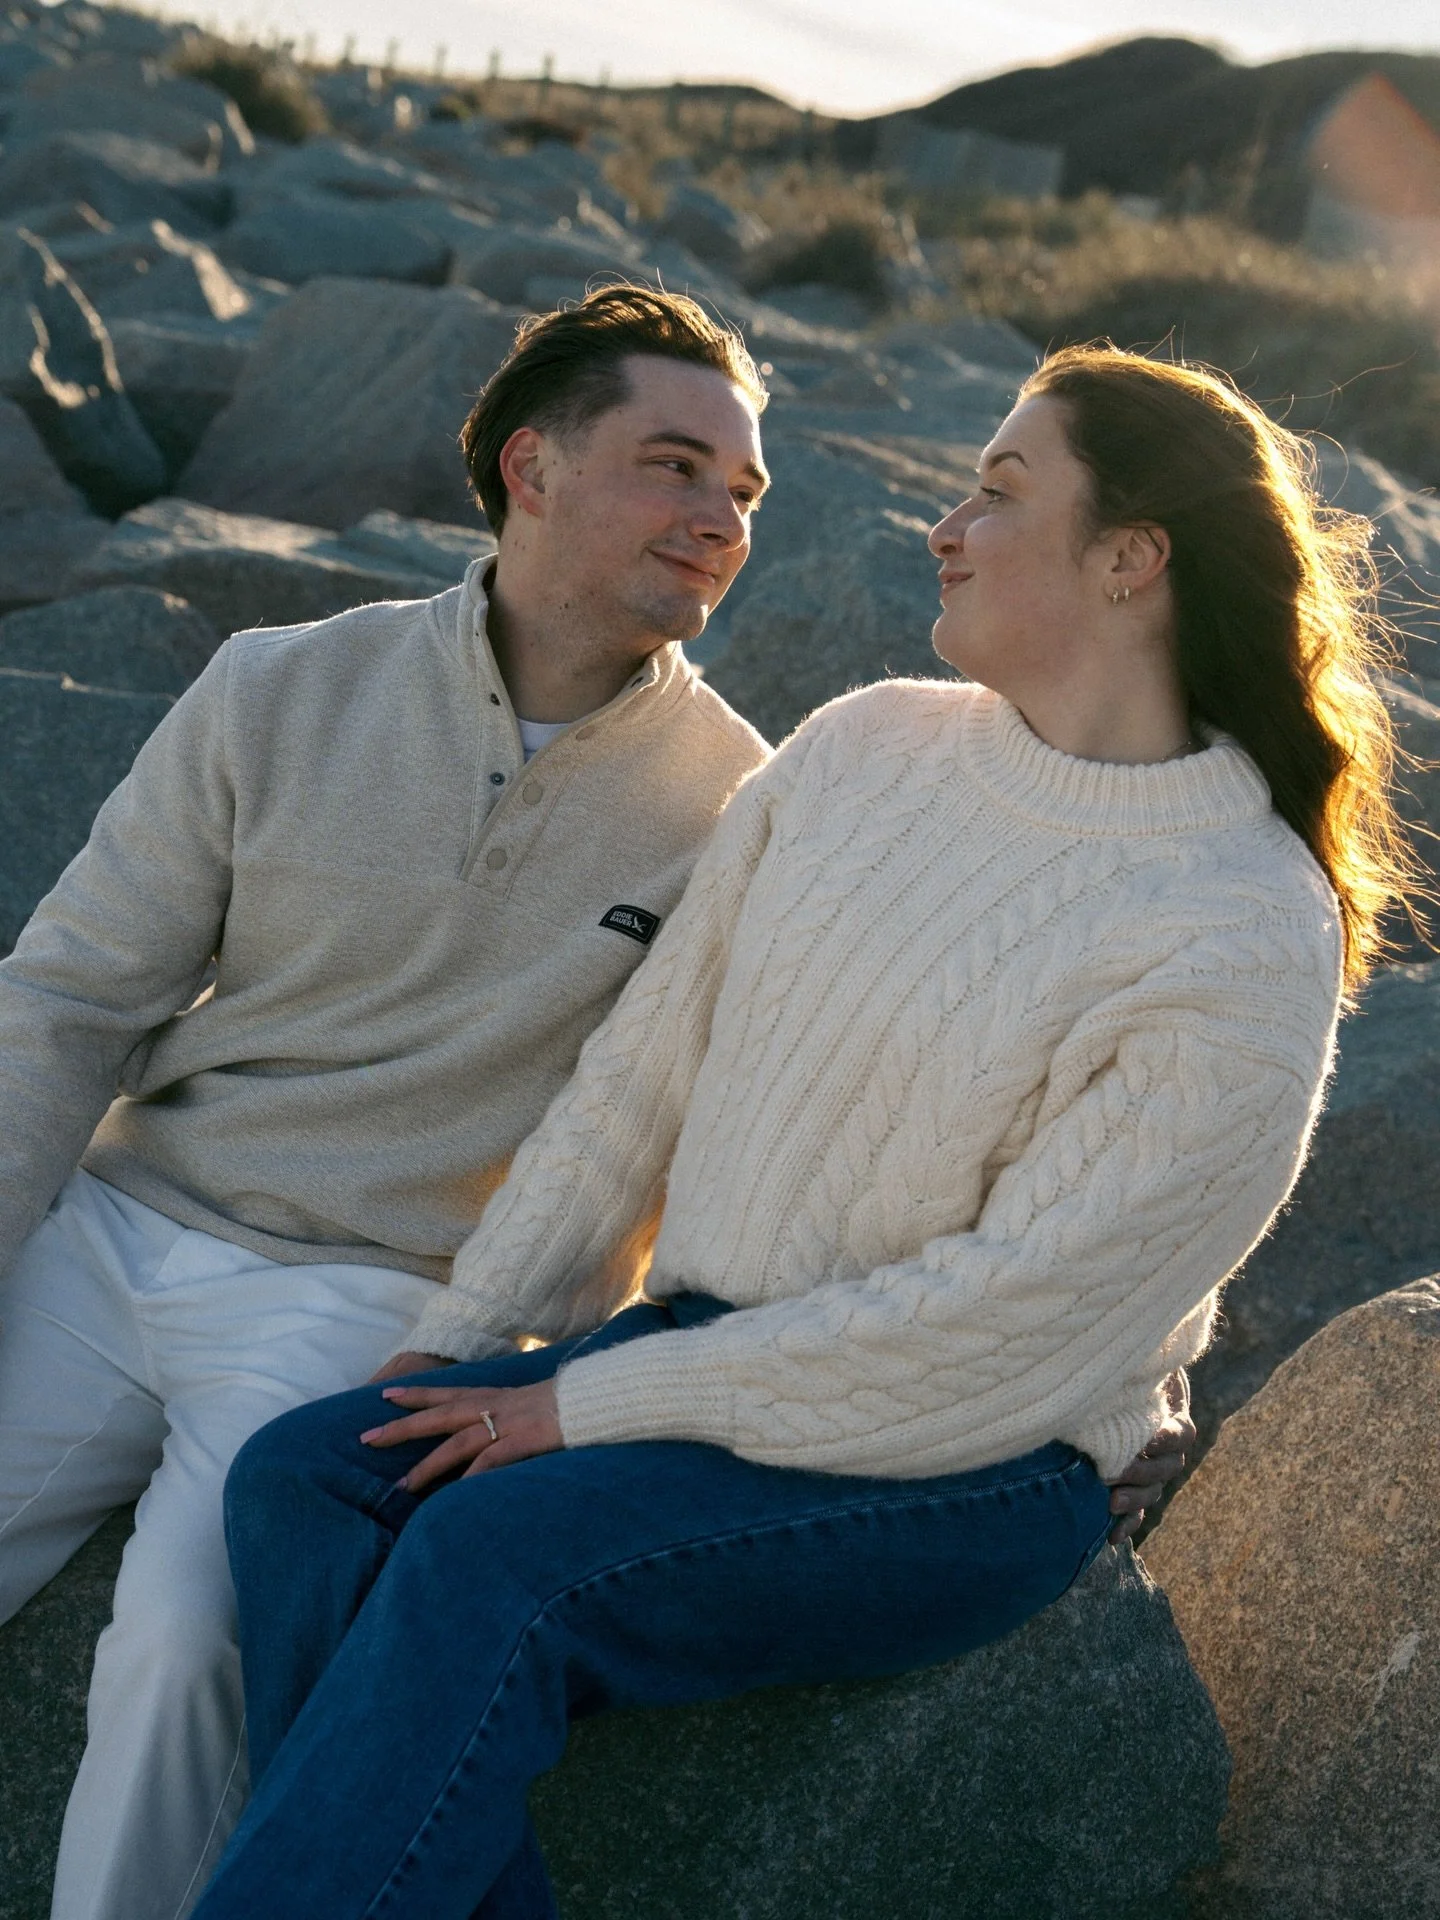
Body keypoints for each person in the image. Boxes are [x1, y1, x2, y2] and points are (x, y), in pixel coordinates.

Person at [187, 342, 1417, 1920]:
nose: (946, 522)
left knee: (489, 1562)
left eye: (999, 490)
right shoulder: (864, 747)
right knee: (315, 1479)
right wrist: (476, 1346)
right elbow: (640, 1079)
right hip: (721, 1356)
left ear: (1132, 559)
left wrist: (582, 1411)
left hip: (968, 1462)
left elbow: (1006, 1330)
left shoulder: (1242, 921)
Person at [0, 287, 776, 1920]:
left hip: (381, 1295)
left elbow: (705, 1138)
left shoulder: (744, 807)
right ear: (532, 469)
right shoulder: (275, 683)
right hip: (127, 1219)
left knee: (181, 1642)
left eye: (744, 493)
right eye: (675, 465)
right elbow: (72, 993)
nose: (719, 519)